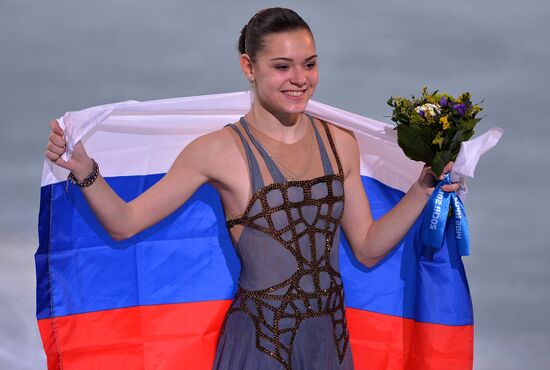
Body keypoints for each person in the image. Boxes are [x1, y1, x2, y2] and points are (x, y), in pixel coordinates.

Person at [44, 7, 460, 370]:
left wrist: (423, 187)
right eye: (282, 66)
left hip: (330, 346)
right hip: (261, 346)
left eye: (310, 64)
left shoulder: (341, 144)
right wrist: (83, 168)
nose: (300, 79)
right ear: (249, 67)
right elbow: (125, 223)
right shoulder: (217, 151)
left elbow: (367, 248)